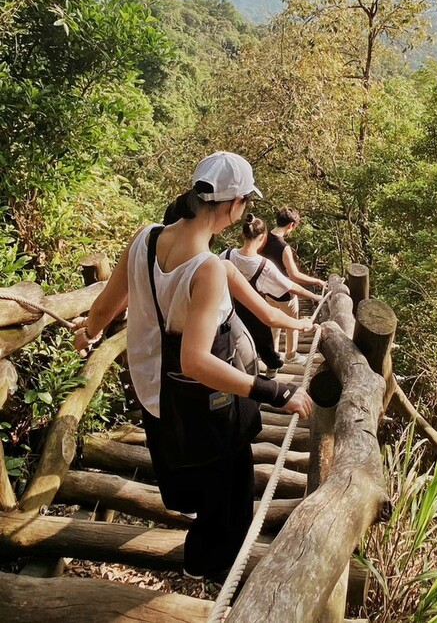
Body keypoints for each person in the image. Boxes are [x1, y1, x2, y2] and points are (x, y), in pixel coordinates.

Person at [72, 151, 313, 581]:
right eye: (245, 203)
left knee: (188, 472)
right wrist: (278, 391)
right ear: (233, 205)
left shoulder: (145, 237)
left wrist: (89, 332)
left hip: (152, 389)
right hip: (205, 401)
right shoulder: (207, 270)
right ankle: (207, 570)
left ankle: (201, 554)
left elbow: (108, 304)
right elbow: (197, 360)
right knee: (231, 495)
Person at [221, 214, 322, 376]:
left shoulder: (226, 255)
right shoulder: (264, 266)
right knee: (264, 343)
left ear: (243, 235)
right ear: (262, 237)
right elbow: (290, 286)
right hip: (254, 314)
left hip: (228, 313)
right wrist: (315, 296)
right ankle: (271, 371)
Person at [259, 207, 325, 364]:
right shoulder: (283, 247)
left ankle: (273, 354)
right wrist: (316, 281)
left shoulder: (262, 238)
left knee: (274, 323)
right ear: (291, 225)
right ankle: (291, 354)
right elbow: (294, 275)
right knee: (291, 323)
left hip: (267, 290)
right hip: (284, 292)